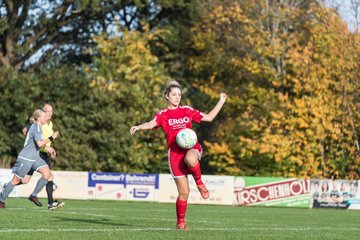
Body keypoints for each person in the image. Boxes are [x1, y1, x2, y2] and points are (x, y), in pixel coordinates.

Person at [130, 80, 227, 230]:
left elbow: (209, 118)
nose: (177, 97)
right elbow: (150, 124)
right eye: (174, 94)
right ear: (167, 96)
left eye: (179, 94)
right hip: (175, 154)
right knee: (184, 193)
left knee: (190, 158)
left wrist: (221, 101)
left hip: (191, 148)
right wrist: (138, 127)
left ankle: (200, 183)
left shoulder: (187, 110)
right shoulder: (163, 114)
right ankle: (180, 223)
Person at [0, 109, 60, 209]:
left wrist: (48, 148)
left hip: (35, 157)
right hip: (26, 158)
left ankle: (33, 195)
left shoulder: (39, 126)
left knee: (47, 174)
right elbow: (39, 143)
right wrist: (52, 137)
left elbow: (38, 143)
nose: (46, 118)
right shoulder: (36, 127)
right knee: (15, 181)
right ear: (39, 118)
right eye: (44, 116)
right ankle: (1, 200)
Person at [20, 103, 64, 210]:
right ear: (42, 112)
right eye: (47, 111)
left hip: (44, 153)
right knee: (48, 176)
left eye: (51, 111)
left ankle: (49, 203)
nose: (49, 113)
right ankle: (48, 202)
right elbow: (26, 130)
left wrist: (51, 149)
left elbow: (46, 139)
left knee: (26, 180)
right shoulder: (40, 123)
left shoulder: (50, 124)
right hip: (37, 153)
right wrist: (28, 127)